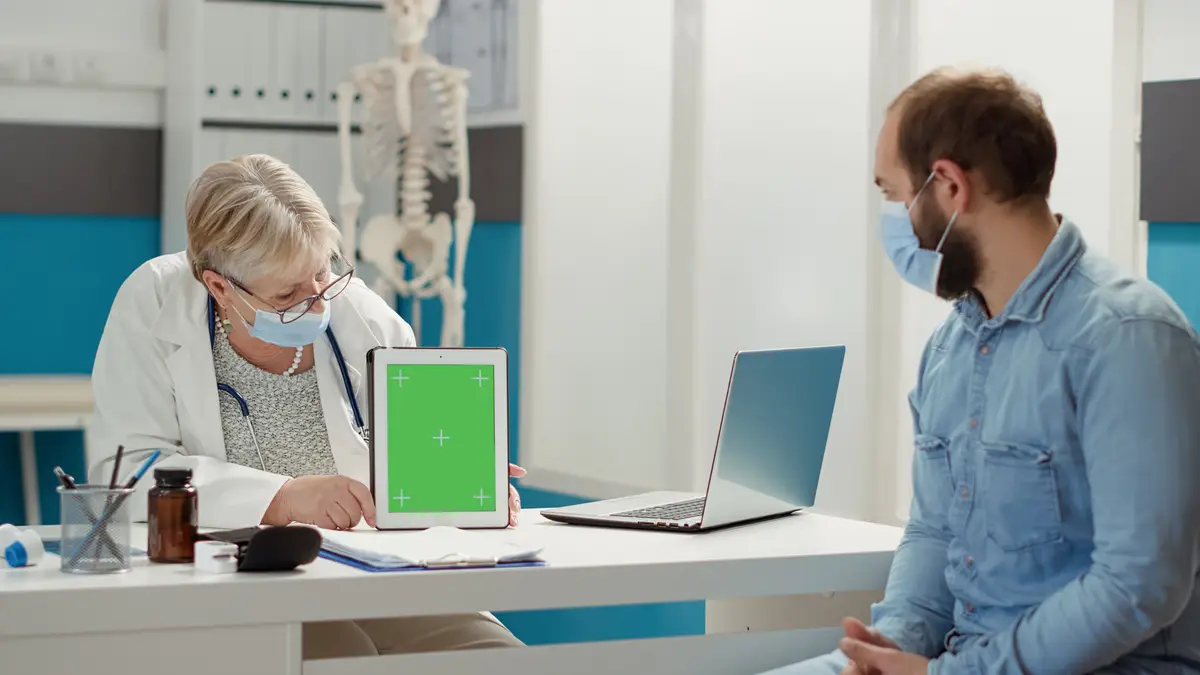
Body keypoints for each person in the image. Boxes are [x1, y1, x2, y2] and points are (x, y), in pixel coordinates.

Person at [765, 68, 1200, 674]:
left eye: (892, 193)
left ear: (947, 185)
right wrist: (896, 643)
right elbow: (936, 532)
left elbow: (1138, 585)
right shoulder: (952, 346)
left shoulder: (1129, 339)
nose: (890, 217)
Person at [89, 154, 525, 657]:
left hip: (371, 571)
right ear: (218, 286)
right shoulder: (155, 303)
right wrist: (286, 498)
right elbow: (128, 470)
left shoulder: (362, 316)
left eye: (322, 274)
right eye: (290, 293)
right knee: (342, 655)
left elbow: (422, 456)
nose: (319, 302)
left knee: (495, 655)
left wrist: (463, 484)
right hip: (230, 578)